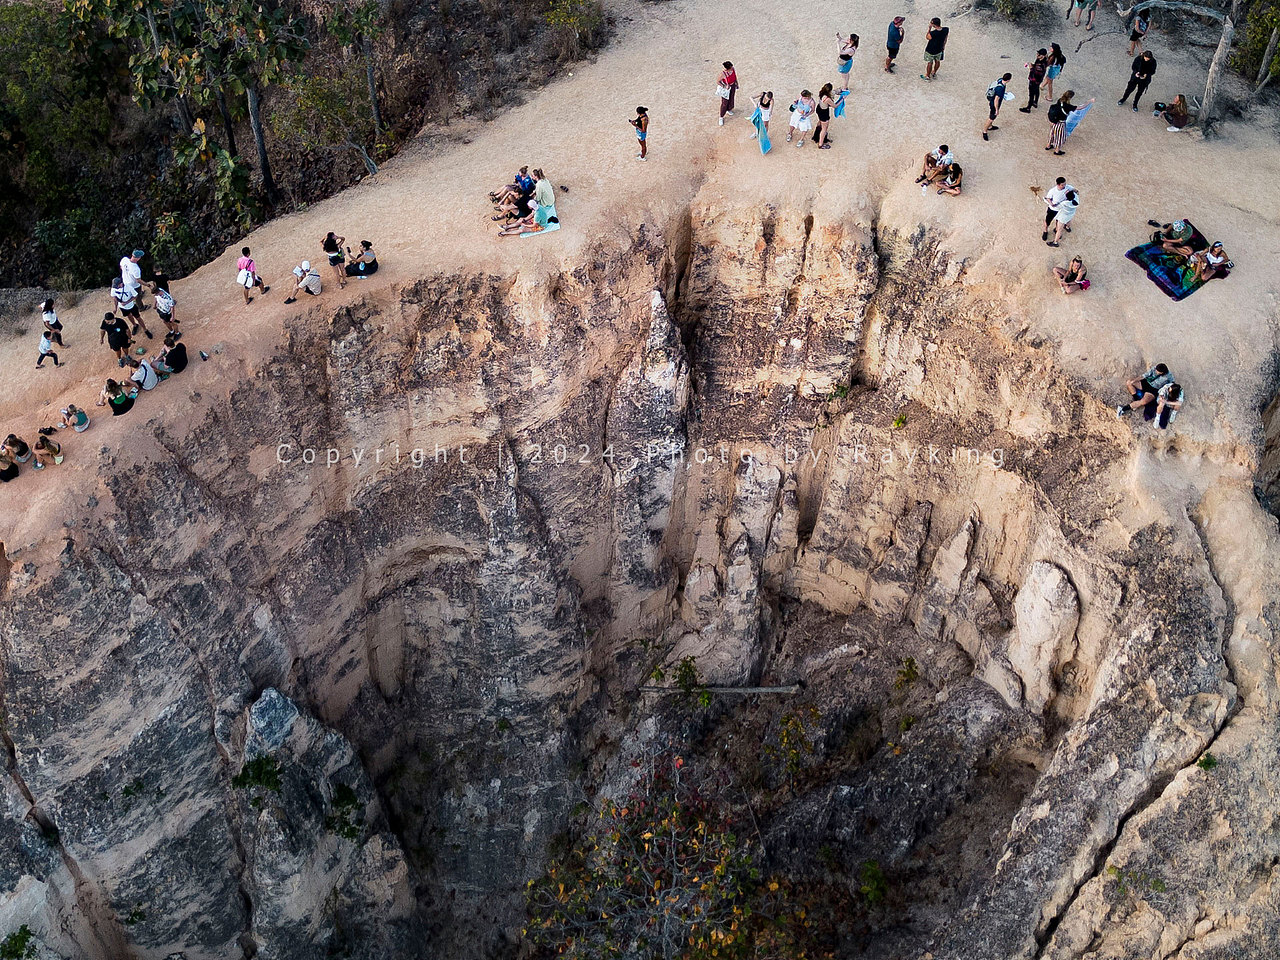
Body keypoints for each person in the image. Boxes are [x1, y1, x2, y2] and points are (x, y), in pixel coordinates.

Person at [983, 73, 1012, 141]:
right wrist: (997, 110)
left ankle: (990, 126)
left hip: (992, 102)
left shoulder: (1000, 80)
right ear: (1008, 80)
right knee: (991, 118)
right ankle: (984, 131)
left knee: (993, 117)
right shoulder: (1000, 89)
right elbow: (996, 99)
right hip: (994, 104)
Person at [151, 273, 180, 338]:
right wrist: (155, 304)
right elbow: (155, 297)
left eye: (156, 293)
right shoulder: (158, 291)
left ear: (158, 292)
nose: (155, 295)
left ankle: (177, 333)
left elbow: (172, 307)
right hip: (161, 310)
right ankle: (171, 331)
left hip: (167, 312)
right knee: (164, 321)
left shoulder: (168, 298)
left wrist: (172, 316)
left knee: (172, 323)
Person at [811, 84, 836, 149]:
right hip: (824, 113)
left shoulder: (821, 93)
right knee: (824, 128)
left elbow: (834, 92)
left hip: (819, 109)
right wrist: (842, 99)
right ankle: (821, 144)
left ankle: (816, 136)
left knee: (820, 123)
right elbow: (835, 106)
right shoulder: (827, 99)